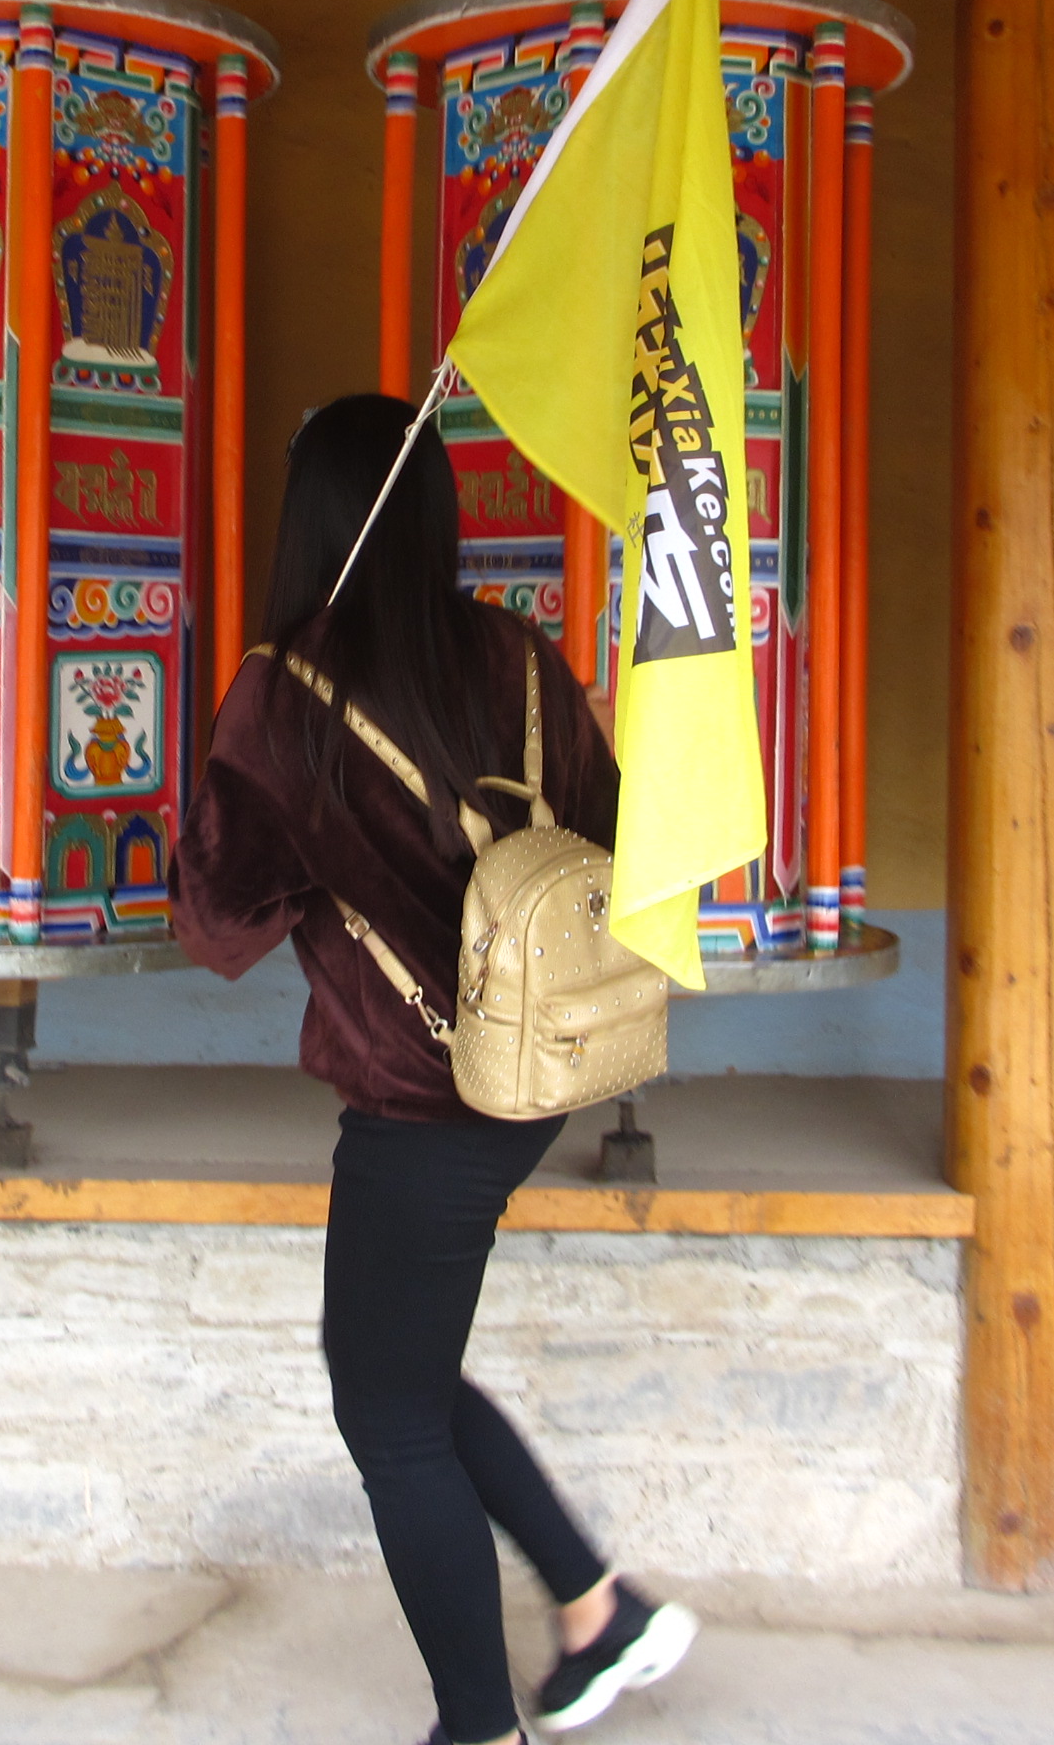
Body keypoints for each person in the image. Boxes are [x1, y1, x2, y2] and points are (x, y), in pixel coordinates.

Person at [174, 393, 697, 1745]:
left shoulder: (283, 694)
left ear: (309, 524)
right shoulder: (519, 657)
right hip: (540, 1070)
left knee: (388, 1415)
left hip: (425, 1097)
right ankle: (597, 1610)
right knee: (401, 1371)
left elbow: (219, 926)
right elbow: (610, 839)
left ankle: (479, 1726)